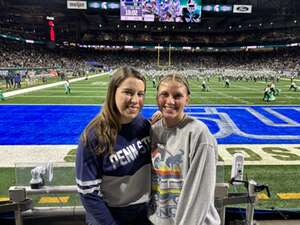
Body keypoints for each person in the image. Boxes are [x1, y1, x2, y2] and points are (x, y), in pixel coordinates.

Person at [75, 66, 153, 225]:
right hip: (109, 217)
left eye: (140, 94)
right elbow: (88, 192)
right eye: (128, 93)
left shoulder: (145, 126)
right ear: (113, 93)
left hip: (144, 214)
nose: (135, 100)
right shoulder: (93, 136)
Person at [149, 73, 220, 225]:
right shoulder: (152, 131)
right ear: (157, 97)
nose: (170, 101)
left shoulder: (199, 134)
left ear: (187, 99)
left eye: (177, 96)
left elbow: (199, 195)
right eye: (164, 94)